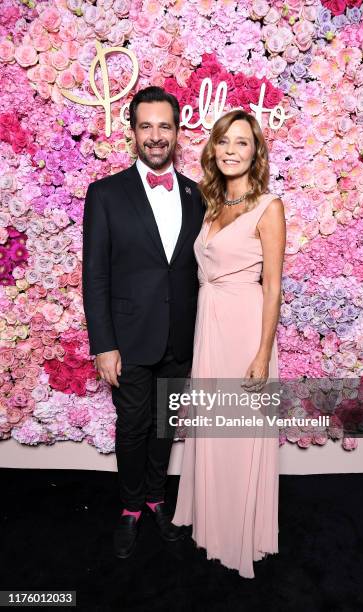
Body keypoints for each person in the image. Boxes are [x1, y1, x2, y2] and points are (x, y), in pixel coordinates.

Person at [82, 86, 205, 559]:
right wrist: (103, 344)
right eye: (146, 126)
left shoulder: (197, 194)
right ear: (132, 131)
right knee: (132, 426)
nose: (156, 137)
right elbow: (94, 274)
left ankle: (157, 499)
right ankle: (131, 508)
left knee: (165, 426)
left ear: (177, 132)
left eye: (165, 127)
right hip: (128, 341)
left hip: (180, 336)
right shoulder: (105, 194)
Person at [171, 109, 286, 578]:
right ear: (213, 150)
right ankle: (212, 524)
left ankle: (240, 533)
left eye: (242, 142)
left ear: (255, 152)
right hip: (209, 326)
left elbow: (274, 287)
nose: (232, 150)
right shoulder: (211, 204)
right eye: (224, 142)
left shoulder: (269, 206)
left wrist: (262, 354)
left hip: (244, 330)